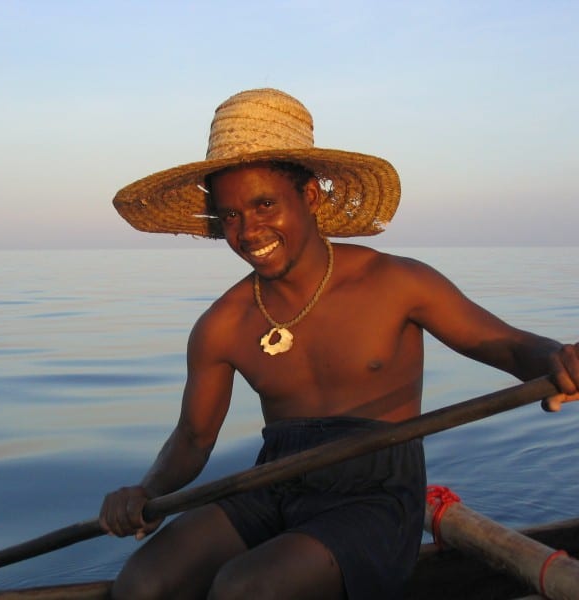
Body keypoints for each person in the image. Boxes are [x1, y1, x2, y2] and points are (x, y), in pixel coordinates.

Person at [99, 88, 579, 599]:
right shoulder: (221, 325)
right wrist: (147, 492)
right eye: (231, 215)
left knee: (243, 589)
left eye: (265, 204)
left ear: (310, 197)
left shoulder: (395, 282)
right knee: (141, 584)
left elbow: (506, 345)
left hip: (376, 493)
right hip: (273, 482)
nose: (248, 230)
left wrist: (558, 359)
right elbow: (193, 439)